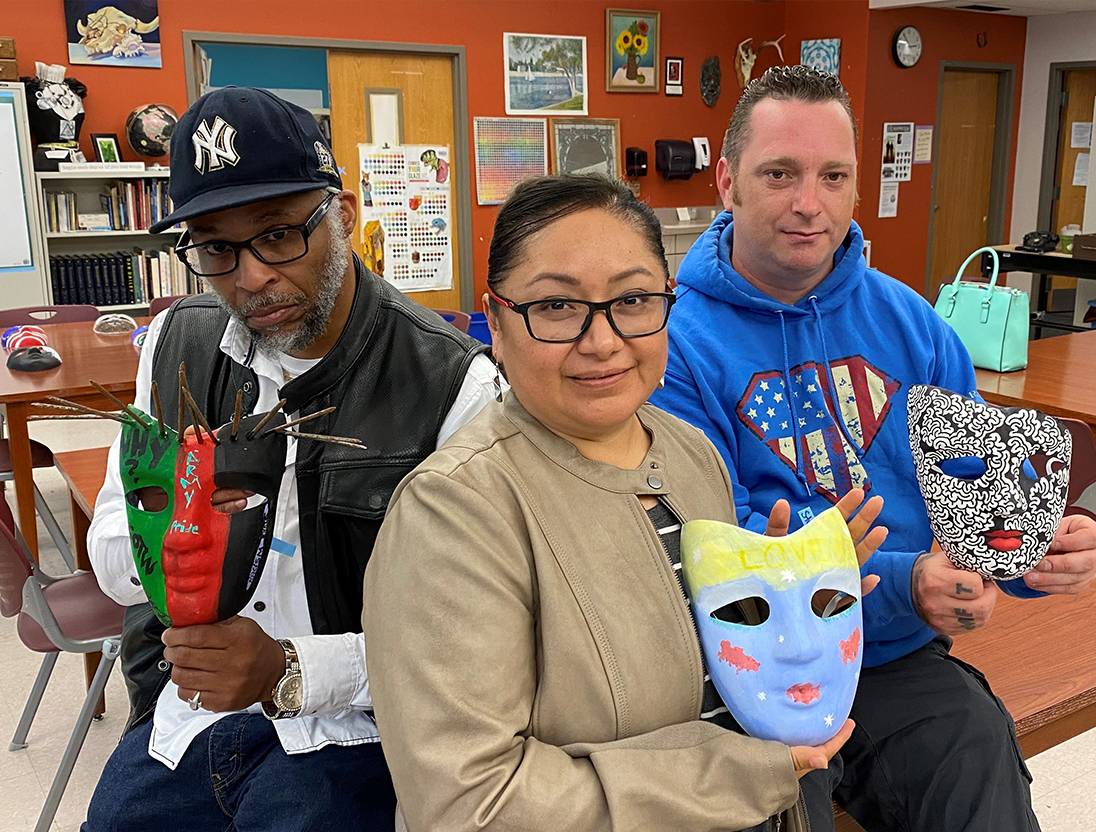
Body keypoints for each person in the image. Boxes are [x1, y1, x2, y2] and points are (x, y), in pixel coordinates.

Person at [362, 174, 888, 832]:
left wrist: (793, 600)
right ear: (495, 319)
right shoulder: (452, 513)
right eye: (556, 307)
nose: (603, 340)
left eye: (633, 299)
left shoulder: (691, 454)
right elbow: (470, 803)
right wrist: (739, 776)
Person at [650, 64, 1096, 831]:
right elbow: (710, 541)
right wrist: (903, 583)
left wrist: (1025, 553)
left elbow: (975, 501)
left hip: (892, 658)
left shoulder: (917, 327)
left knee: (975, 759)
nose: (807, 204)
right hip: (750, 673)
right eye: (780, 173)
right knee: (771, 811)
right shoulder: (670, 344)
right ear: (727, 180)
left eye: (833, 176)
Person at [83, 87, 498, 831]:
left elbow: (474, 645)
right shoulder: (178, 342)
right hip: (188, 722)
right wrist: (189, 522)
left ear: (340, 218)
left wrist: (288, 669)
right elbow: (113, 554)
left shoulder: (452, 384)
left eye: (278, 235)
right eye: (215, 248)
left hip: (353, 733)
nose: (249, 278)